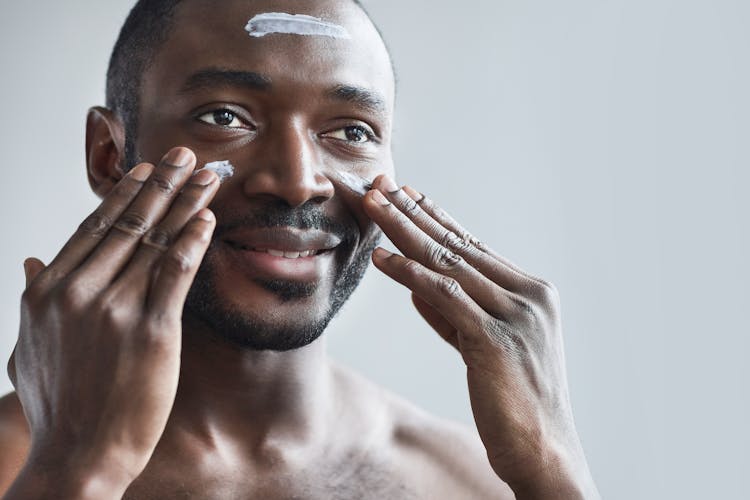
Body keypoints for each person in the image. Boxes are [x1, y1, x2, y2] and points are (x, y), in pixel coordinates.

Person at [0, 0, 599, 498]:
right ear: (109, 155)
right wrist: (74, 474)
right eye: (225, 116)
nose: (298, 180)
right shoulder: (23, 466)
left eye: (351, 132)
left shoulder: (471, 482)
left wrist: (554, 470)